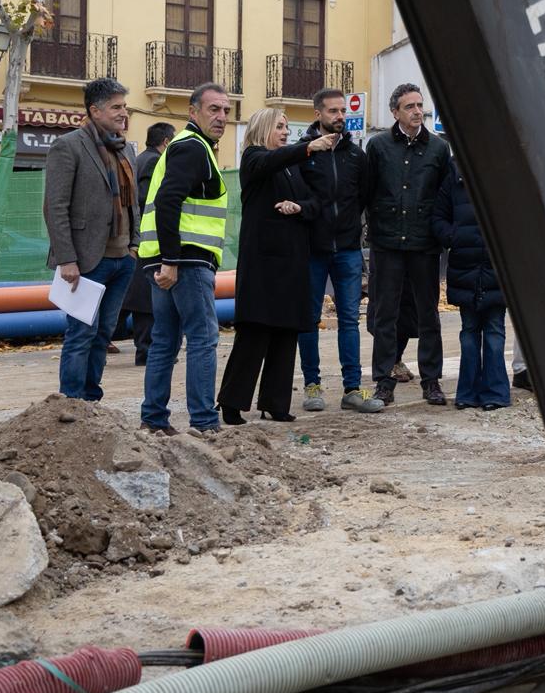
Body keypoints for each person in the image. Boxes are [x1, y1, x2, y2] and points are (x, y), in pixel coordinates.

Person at [217, 109, 336, 424]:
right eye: (280, 127)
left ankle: (275, 403)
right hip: (263, 265)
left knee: (286, 334)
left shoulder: (292, 167)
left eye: (287, 127)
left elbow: (314, 202)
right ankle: (232, 403)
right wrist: (309, 147)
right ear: (263, 128)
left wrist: (299, 207)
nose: (286, 132)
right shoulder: (254, 159)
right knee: (254, 334)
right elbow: (271, 161)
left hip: (292, 263)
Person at [137, 84, 232, 436]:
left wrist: (165, 260)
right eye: (213, 109)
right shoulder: (193, 149)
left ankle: (154, 420)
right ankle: (204, 422)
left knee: (165, 340)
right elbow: (168, 201)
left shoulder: (186, 147)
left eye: (225, 110)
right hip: (185, 262)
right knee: (203, 338)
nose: (221, 116)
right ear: (193, 112)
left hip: (166, 259)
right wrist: (172, 261)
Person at [43, 77, 138, 402]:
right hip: (85, 261)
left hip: (122, 259)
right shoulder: (68, 146)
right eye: (116, 107)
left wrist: (134, 247)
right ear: (95, 110)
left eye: (124, 106)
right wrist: (67, 259)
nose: (123, 113)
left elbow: (132, 202)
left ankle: (92, 401)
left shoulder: (125, 149)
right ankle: (71, 403)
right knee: (81, 333)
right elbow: (55, 207)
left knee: (103, 335)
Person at [297, 88, 384, 414]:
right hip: (312, 250)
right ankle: (312, 386)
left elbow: (363, 196)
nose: (339, 117)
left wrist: (352, 232)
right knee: (309, 320)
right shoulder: (304, 152)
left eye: (342, 111)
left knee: (349, 320)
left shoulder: (354, 155)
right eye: (332, 111)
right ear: (318, 113)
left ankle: (352, 389)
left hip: (347, 249)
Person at [366, 83, 450, 406]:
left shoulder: (438, 150)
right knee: (385, 313)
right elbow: (368, 193)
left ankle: (431, 380)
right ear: (395, 112)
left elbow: (444, 198)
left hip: (424, 244)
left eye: (420, 105)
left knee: (428, 314)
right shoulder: (378, 147)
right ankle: (384, 381)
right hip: (387, 243)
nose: (417, 111)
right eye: (410, 106)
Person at [431, 158, 510, 410]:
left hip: (497, 269)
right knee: (469, 332)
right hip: (466, 268)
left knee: (495, 333)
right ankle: (467, 392)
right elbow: (438, 217)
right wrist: (454, 236)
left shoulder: (505, 176)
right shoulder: (454, 178)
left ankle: (495, 393)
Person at [117, 121, 175, 365]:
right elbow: (147, 199)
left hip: (140, 239)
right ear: (166, 142)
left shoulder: (142, 158)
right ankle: (147, 350)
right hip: (148, 240)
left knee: (133, 297)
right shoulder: (153, 162)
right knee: (144, 299)